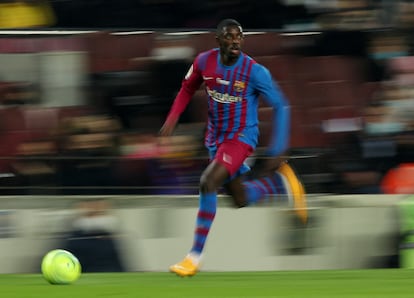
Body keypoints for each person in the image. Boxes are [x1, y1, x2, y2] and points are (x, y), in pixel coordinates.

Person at [159, 19, 307, 277]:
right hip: (215, 140)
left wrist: (278, 148)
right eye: (229, 37)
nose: (235, 41)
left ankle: (194, 256)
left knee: (208, 183)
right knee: (239, 200)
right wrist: (172, 119)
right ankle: (277, 185)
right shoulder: (205, 62)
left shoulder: (254, 71)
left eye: (239, 36)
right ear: (218, 40)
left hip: (241, 138)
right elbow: (187, 88)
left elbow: (282, 105)